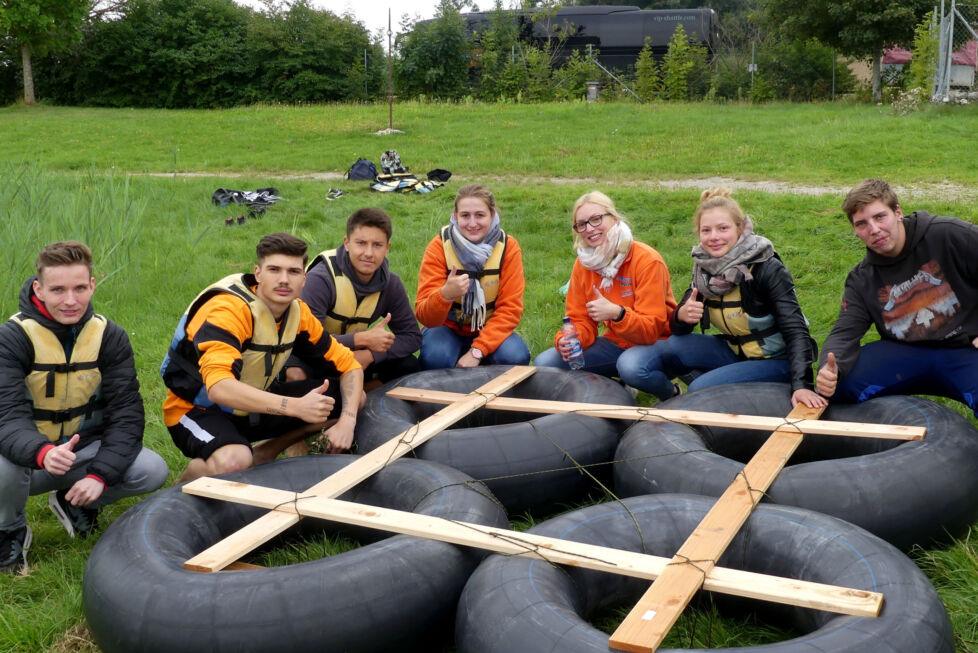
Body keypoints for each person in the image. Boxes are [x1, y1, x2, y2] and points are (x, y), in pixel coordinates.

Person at [0, 242, 168, 574]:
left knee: (152, 470)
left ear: (92, 285)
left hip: (83, 450)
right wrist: (42, 451)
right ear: (39, 288)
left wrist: (100, 475)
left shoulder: (110, 336)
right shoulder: (12, 337)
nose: (70, 300)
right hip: (28, 458)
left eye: (80, 288)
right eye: (58, 289)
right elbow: (6, 416)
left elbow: (127, 415)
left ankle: (73, 500)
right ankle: (9, 530)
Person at [161, 232, 364, 483]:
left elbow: (350, 366)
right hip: (197, 409)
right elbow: (219, 388)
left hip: (253, 403)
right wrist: (293, 406)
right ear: (258, 273)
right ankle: (182, 490)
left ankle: (266, 452)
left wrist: (347, 420)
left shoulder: (298, 313)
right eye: (274, 269)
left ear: (304, 279)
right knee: (235, 460)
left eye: (293, 272)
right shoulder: (228, 310)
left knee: (351, 399)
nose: (283, 280)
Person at [634, 188, 824, 406]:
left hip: (777, 360)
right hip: (734, 351)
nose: (714, 237)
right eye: (706, 230)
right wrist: (682, 316)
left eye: (722, 228)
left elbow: (796, 328)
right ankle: (675, 394)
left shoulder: (766, 268)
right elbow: (680, 330)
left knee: (698, 389)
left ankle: (728, 391)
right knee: (663, 351)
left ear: (740, 229)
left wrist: (802, 384)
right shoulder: (705, 266)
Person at [816, 179, 978, 414]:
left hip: (965, 349)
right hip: (904, 352)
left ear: (898, 212)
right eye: (862, 224)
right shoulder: (862, 279)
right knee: (837, 388)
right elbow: (844, 332)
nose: (873, 229)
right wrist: (829, 370)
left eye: (880, 217)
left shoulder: (949, 234)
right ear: (855, 230)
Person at [534, 191, 677, 385]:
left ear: (614, 218)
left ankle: (670, 394)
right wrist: (569, 339)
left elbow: (651, 330)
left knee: (630, 365)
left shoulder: (647, 260)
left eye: (596, 219)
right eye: (582, 224)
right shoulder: (584, 264)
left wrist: (617, 314)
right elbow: (579, 319)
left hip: (658, 343)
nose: (589, 229)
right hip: (616, 343)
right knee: (547, 362)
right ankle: (617, 389)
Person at [286, 208, 421, 387]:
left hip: (356, 353)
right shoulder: (321, 279)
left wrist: (370, 354)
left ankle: (365, 395)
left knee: (409, 365)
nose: (369, 253)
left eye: (377, 245)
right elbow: (306, 342)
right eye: (361, 243)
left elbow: (412, 336)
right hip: (314, 353)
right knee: (296, 375)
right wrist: (361, 340)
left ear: (388, 248)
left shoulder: (390, 283)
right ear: (347, 243)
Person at [415, 184, 530, 369]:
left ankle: (486, 378)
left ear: (492, 215)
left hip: (489, 327)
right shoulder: (439, 246)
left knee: (515, 357)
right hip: (446, 328)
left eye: (480, 215)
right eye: (465, 215)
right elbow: (425, 316)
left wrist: (477, 350)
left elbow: (510, 310)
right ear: (455, 216)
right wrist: (444, 295)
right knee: (436, 358)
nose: (472, 223)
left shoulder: (508, 247)